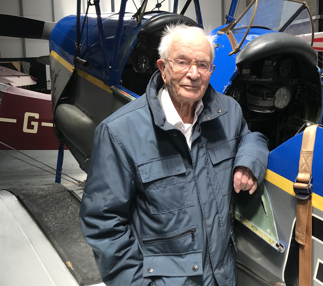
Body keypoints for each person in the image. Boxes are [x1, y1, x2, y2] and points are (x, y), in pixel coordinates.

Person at [80, 24, 269, 286]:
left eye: (202, 65)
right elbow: (104, 223)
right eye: (182, 62)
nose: (193, 74)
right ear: (163, 67)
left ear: (211, 71)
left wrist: (249, 162)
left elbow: (252, 137)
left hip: (222, 277)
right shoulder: (118, 132)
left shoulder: (229, 112)